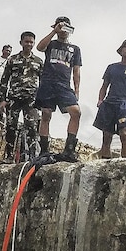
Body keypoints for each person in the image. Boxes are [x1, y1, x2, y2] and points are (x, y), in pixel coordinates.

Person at [35, 17, 83, 162]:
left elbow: (76, 70)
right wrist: (53, 31)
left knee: (76, 112)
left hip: (64, 84)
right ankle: (43, 150)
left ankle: (69, 149)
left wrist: (77, 89)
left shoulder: (75, 49)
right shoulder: (51, 43)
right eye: (61, 27)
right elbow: (39, 47)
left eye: (66, 28)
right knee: (46, 114)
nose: (63, 31)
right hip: (48, 82)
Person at [94, 39, 126, 159]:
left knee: (124, 133)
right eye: (125, 47)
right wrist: (100, 100)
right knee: (107, 134)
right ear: (121, 50)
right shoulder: (112, 68)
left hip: (123, 104)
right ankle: (105, 161)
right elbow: (104, 86)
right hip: (109, 103)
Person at [0, 31, 45, 163]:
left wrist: (42, 101)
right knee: (10, 127)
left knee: (31, 127)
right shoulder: (12, 60)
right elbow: (4, 80)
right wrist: (2, 100)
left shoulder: (38, 61)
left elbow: (43, 82)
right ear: (21, 43)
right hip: (13, 98)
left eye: (31, 42)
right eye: (26, 41)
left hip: (31, 99)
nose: (29, 44)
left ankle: (32, 157)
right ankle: (8, 157)